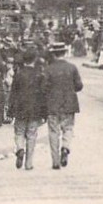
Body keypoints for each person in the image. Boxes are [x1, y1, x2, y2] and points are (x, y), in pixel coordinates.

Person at [43, 42, 84, 170]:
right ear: (64, 53)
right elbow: (79, 86)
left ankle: (55, 162)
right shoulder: (72, 68)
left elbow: (43, 87)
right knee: (68, 128)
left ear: (54, 54)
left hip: (53, 105)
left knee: (53, 132)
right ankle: (65, 147)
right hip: (69, 104)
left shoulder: (48, 69)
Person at [8, 47, 47, 171]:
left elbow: (13, 93)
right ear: (34, 60)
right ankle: (29, 163)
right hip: (34, 110)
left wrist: (10, 111)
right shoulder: (39, 75)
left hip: (20, 109)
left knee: (19, 132)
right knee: (31, 135)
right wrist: (44, 112)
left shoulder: (18, 74)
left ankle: (20, 149)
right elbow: (43, 94)